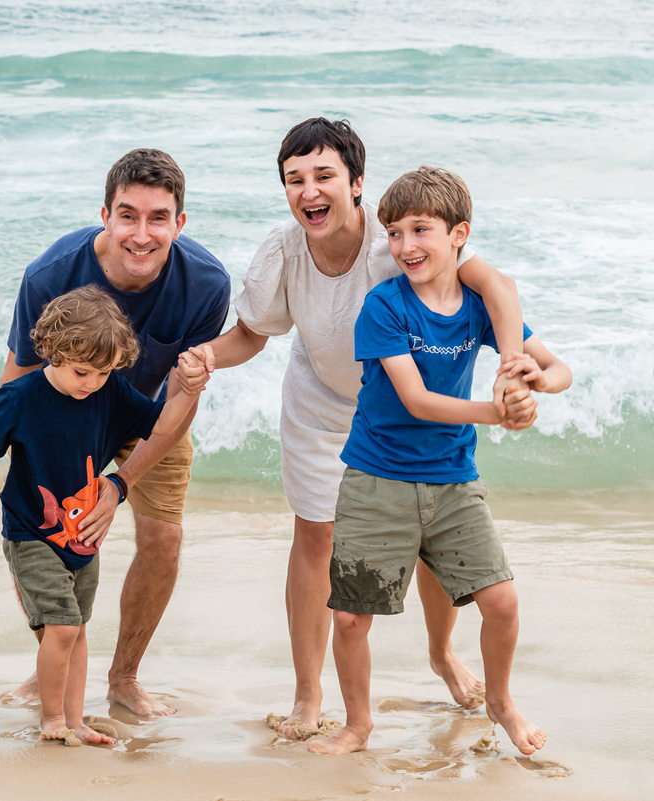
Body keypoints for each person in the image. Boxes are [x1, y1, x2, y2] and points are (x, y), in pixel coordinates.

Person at [192, 118, 534, 739]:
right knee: (316, 537)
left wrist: (510, 368)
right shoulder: (284, 250)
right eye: (294, 180)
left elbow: (499, 290)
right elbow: (252, 334)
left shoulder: (401, 238)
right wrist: (207, 355)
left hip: (406, 407)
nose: (309, 191)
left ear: (357, 184)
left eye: (324, 175)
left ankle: (442, 654)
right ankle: (307, 694)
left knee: (430, 538)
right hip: (319, 406)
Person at [304, 165, 572, 756]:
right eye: (394, 233)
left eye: (420, 230)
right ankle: (357, 723)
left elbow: (559, 369)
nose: (404, 246)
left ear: (459, 234)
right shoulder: (383, 305)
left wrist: (533, 381)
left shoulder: (479, 306)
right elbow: (417, 401)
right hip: (377, 479)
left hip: (454, 480)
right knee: (351, 617)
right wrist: (498, 412)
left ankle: (500, 701)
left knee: (500, 601)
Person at [0, 148, 231, 716]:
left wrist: (119, 484)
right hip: (57, 415)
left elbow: (181, 400)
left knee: (163, 540)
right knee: (44, 536)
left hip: (147, 417)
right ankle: (55, 669)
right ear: (105, 215)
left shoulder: (206, 284)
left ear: (180, 223)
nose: (141, 234)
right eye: (128, 215)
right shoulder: (51, 276)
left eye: (158, 218)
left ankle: (123, 679)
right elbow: (16, 388)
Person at [0, 286, 212, 745]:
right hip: (29, 533)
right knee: (61, 626)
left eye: (103, 372)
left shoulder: (108, 390)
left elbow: (160, 425)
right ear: (53, 351)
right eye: (82, 371)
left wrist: (187, 390)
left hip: (82, 540)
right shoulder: (20, 397)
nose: (92, 382)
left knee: (76, 632)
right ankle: (51, 720)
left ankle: (74, 720)